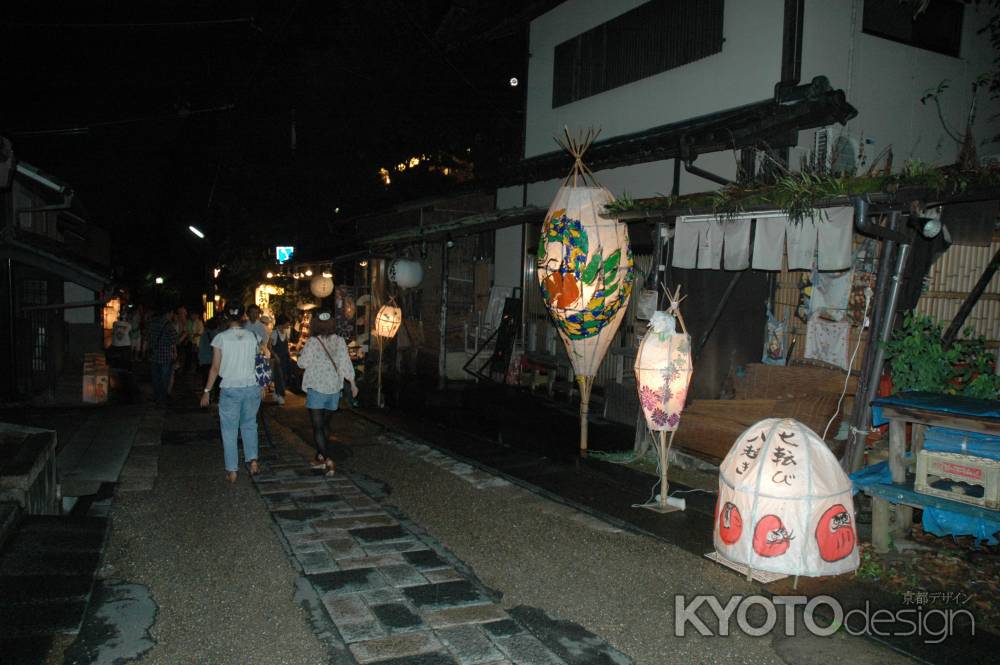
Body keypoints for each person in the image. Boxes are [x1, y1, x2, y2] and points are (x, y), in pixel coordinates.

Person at [200, 303, 263, 483]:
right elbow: (259, 362)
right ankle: (253, 462)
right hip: (252, 387)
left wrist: (206, 391)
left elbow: (215, 368)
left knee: (229, 429)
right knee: (250, 424)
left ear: (226, 317)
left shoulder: (221, 338)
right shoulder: (253, 336)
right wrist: (263, 385)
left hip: (230, 388)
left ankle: (232, 470)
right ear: (243, 316)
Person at [296, 308, 358, 476]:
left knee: (317, 427)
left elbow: (301, 363)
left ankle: (328, 459)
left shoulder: (313, 342)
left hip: (316, 388)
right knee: (325, 425)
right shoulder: (339, 341)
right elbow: (346, 363)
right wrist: (352, 384)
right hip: (333, 390)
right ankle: (320, 458)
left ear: (315, 324)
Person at [148, 306, 178, 406]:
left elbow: (147, 337)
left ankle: (157, 396)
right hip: (165, 355)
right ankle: (162, 398)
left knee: (156, 378)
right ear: (169, 313)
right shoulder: (168, 325)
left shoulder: (152, 323)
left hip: (153, 355)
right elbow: (174, 340)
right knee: (165, 378)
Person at [270, 314, 293, 405]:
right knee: (279, 377)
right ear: (282, 323)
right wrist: (275, 356)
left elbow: (287, 345)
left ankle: (277, 393)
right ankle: (280, 395)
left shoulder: (286, 332)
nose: (288, 325)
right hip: (278, 358)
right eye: (287, 323)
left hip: (285, 358)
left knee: (283, 376)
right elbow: (269, 346)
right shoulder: (274, 333)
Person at [198, 316, 220, 400]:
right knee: (217, 381)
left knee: (206, 381)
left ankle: (207, 396)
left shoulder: (203, 335)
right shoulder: (218, 335)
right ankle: (216, 397)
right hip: (215, 361)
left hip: (205, 361)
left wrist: (200, 360)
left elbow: (201, 348)